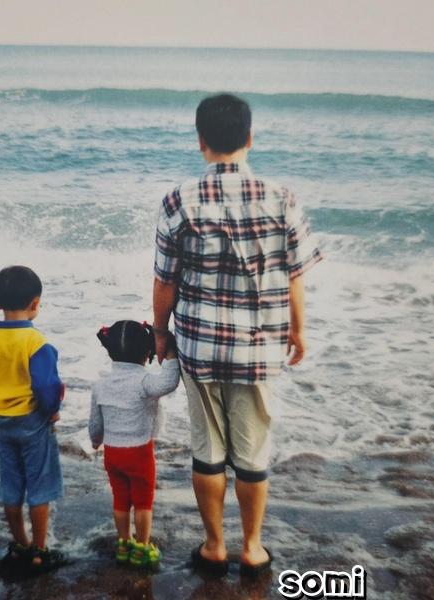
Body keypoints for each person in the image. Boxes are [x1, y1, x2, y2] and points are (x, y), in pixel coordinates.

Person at [152, 94, 322, 577]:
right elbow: (295, 276)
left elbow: (165, 281)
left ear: (201, 141)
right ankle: (251, 548)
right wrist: (298, 330)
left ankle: (213, 547)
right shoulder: (282, 197)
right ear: (250, 138)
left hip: (200, 347)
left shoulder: (179, 199)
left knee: (207, 452)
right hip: (258, 349)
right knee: (251, 454)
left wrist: (160, 333)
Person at [0, 265, 67, 573]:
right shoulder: (35, 342)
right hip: (32, 421)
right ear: (36, 303)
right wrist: (51, 409)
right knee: (39, 484)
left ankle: (20, 542)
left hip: (0, 420)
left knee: (11, 482)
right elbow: (46, 386)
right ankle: (39, 551)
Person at [88, 320, 180, 569]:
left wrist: (95, 441)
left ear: (110, 351)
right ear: (147, 352)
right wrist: (171, 353)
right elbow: (169, 382)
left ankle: (123, 544)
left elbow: (95, 423)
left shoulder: (101, 384)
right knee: (142, 502)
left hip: (112, 453)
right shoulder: (144, 381)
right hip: (139, 452)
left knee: (120, 499)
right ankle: (142, 547)